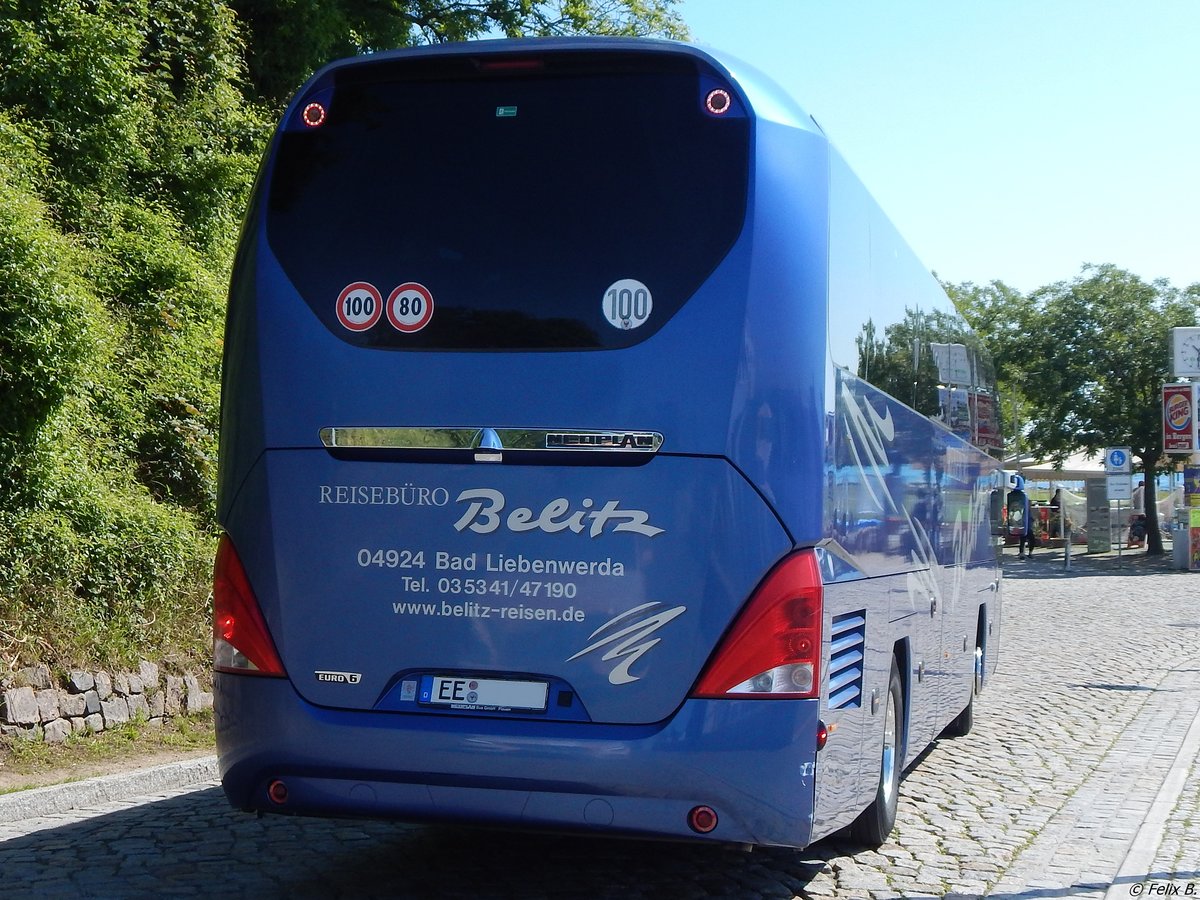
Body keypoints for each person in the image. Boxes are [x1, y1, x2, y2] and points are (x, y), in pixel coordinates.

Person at [1007, 476, 1035, 558]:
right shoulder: (1024, 497)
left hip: (1024, 520)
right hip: (1024, 521)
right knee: (1026, 536)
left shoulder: (1021, 498)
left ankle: (1025, 552)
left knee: (1025, 536)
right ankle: (1026, 553)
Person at [1129, 480, 1146, 549]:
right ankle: (1141, 539)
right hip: (1143, 510)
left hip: (1136, 510)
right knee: (1142, 525)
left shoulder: (1135, 491)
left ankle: (1134, 538)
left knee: (1135, 525)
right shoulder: (1144, 490)